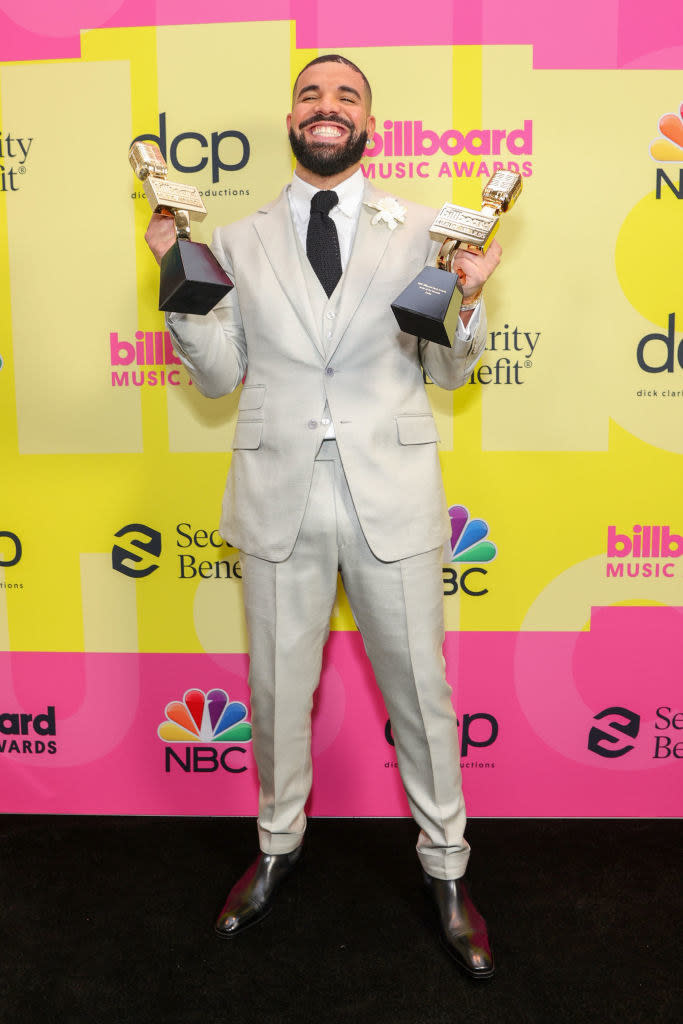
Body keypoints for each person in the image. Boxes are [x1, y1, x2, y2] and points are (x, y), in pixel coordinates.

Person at [145, 54, 501, 980]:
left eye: (347, 96)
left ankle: (448, 872)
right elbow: (219, 376)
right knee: (272, 691)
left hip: (391, 492)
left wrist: (467, 299)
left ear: (369, 122)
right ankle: (273, 847)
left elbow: (450, 372)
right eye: (312, 94)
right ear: (291, 116)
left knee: (422, 696)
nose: (328, 107)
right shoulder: (235, 236)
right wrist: (176, 274)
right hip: (277, 495)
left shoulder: (428, 228)